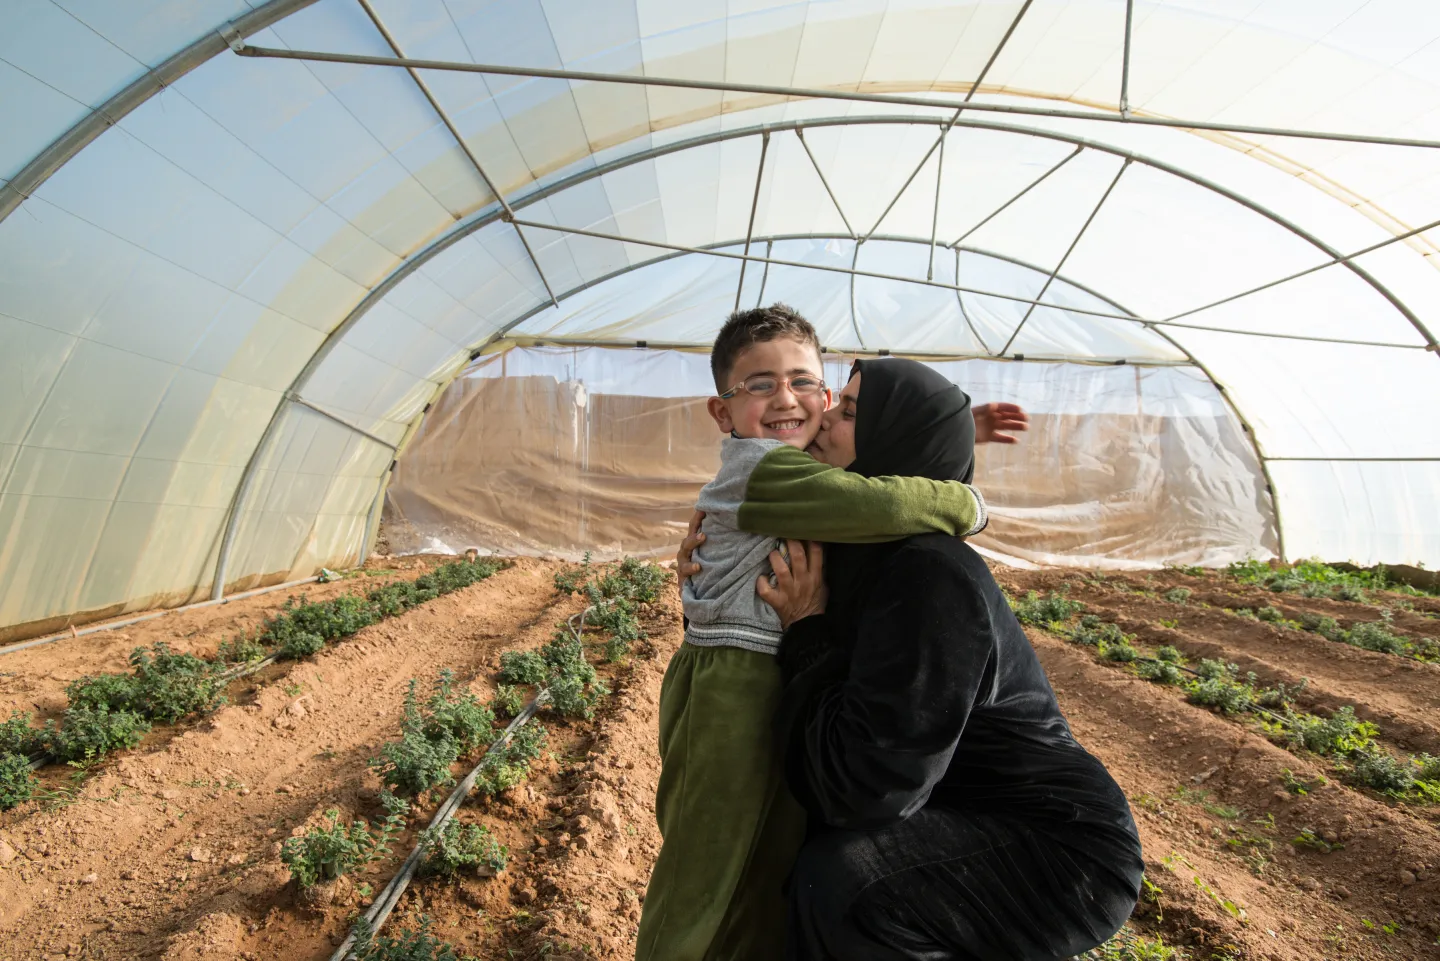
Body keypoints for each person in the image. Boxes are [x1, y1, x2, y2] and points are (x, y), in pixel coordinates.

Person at [636, 305, 1022, 961]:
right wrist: (967, 500)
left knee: (768, 856)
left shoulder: (802, 475)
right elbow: (879, 501)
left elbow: (865, 469)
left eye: (806, 383)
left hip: (766, 679)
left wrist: (960, 430)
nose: (786, 398)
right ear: (722, 412)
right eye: (760, 385)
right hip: (730, 684)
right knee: (710, 859)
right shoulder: (766, 468)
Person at [753, 358, 1143, 960]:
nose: (823, 416)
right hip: (964, 814)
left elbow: (870, 789)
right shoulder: (856, 549)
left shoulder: (928, 573)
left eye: (849, 411)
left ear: (895, 442)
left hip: (1059, 849)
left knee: (847, 883)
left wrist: (807, 631)